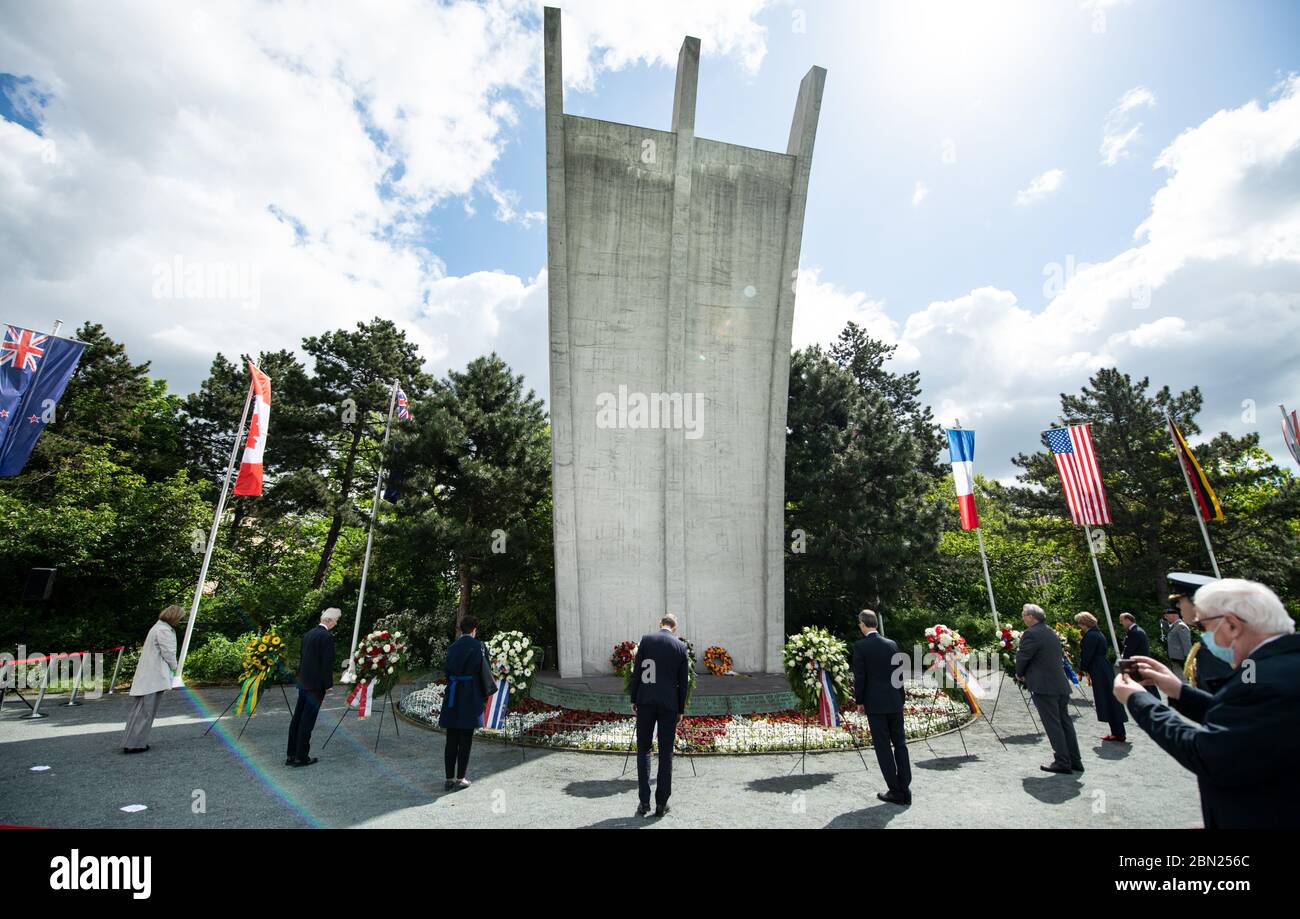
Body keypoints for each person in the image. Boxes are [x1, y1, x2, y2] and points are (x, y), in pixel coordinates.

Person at [1115, 578, 1300, 829]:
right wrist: (1178, 690)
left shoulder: (1265, 679)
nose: (1202, 636)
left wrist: (1139, 700)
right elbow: (1245, 723)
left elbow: (1207, 753)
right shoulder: (1281, 665)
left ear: (1233, 625)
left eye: (1203, 626)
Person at [629, 613, 689, 818]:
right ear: (675, 627)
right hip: (669, 705)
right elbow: (684, 683)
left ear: (660, 624)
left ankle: (644, 802)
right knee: (666, 753)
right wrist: (681, 709)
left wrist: (634, 698)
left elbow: (637, 671)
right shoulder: (680, 647)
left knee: (643, 750)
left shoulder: (646, 640)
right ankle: (661, 803)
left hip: (646, 701)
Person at [851, 609, 911, 804]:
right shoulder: (892, 644)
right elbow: (899, 674)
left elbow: (860, 678)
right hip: (894, 701)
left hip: (875, 705)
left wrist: (859, 701)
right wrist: (901, 698)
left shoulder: (860, 647)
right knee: (900, 744)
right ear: (875, 623)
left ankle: (895, 790)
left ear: (862, 624)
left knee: (883, 747)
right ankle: (904, 786)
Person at [1016, 604, 1083, 774]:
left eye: (1024, 615)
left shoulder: (1031, 633)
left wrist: (1019, 673)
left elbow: (1023, 657)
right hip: (1059, 684)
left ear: (1032, 617)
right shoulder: (1050, 631)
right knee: (1065, 722)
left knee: (1053, 724)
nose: (1023, 618)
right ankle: (1075, 760)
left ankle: (1062, 761)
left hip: (1044, 686)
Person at [438, 615, 496, 791]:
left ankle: (449, 778)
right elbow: (484, 669)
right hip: (470, 695)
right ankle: (461, 777)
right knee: (465, 739)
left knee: (451, 738)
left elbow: (447, 670)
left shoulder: (452, 647)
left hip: (453, 696)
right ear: (474, 629)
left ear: (461, 629)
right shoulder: (479, 646)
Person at [122, 605, 183, 753]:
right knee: (146, 711)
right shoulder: (164, 630)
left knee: (139, 710)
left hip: (147, 676)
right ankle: (136, 744)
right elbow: (168, 653)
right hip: (154, 677)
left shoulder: (157, 627)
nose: (180, 620)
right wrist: (177, 669)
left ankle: (131, 741)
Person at [286, 608, 338, 767]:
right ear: (329, 620)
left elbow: (303, 658)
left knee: (297, 718)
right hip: (316, 685)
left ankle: (291, 754)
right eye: (336, 621)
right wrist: (328, 685)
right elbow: (326, 664)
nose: (336, 624)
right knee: (307, 721)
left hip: (304, 682)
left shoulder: (308, 634)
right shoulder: (327, 637)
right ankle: (301, 757)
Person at [1169, 585, 1233, 692]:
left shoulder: (1215, 646)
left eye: (1180, 600)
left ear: (1197, 604)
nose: (1178, 606)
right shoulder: (1222, 637)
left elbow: (1219, 700)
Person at [1075, 612, 1126, 742]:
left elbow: (1087, 655)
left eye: (1080, 623)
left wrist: (1082, 668)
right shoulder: (1097, 633)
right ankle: (1118, 731)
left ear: (1084, 623)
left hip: (1098, 668)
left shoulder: (1091, 635)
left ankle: (1117, 732)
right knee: (1110, 698)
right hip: (1103, 666)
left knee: (1106, 698)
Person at [1119, 612, 1159, 700]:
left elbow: (1129, 650)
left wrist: (1123, 660)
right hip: (1139, 662)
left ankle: (1155, 701)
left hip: (1138, 663)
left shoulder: (1135, 632)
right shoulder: (1135, 630)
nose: (1121, 623)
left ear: (1127, 620)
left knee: (1146, 685)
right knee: (1146, 685)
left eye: (1121, 621)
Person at [1162, 605, 1192, 680]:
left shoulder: (1181, 626)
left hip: (1181, 657)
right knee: (1180, 677)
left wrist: (1188, 657)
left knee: (1186, 678)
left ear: (1173, 616)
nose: (1166, 618)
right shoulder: (1175, 625)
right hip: (1177, 657)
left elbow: (1186, 643)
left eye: (1167, 616)